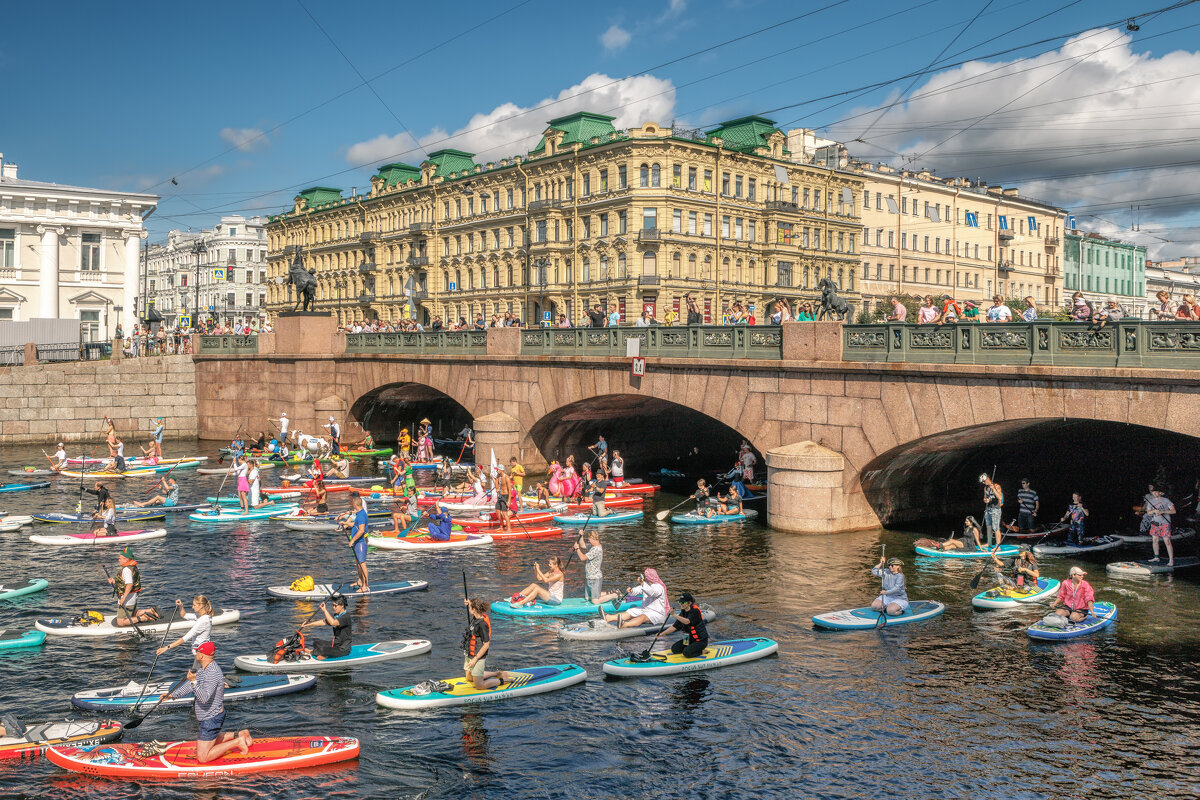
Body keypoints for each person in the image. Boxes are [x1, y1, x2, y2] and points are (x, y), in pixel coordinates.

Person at [168, 642, 251, 763]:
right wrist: (172, 695)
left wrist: (193, 682)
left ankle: (238, 742)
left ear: (201, 655)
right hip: (209, 717)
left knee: (203, 757)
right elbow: (190, 686)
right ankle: (240, 734)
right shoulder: (204, 668)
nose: (195, 653)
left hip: (211, 718)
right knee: (212, 739)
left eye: (197, 651)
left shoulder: (212, 672)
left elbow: (204, 697)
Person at [463, 598, 512, 690]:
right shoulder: (476, 617)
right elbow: (473, 608)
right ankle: (496, 674)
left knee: (479, 686)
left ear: (474, 610)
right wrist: (470, 603)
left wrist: (475, 659)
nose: (468, 609)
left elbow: (486, 644)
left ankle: (502, 680)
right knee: (469, 678)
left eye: (470, 608)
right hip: (469, 654)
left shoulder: (482, 625)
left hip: (477, 656)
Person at [158, 595, 214, 669]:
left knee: (196, 676)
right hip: (199, 654)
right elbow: (184, 615)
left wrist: (166, 648)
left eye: (194, 605)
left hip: (202, 655)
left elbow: (185, 638)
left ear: (201, 606)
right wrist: (181, 606)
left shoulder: (203, 621)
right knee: (195, 675)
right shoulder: (199, 616)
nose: (192, 607)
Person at [108, 547, 160, 626]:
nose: (119, 560)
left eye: (120, 558)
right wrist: (114, 581)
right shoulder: (132, 567)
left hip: (128, 598)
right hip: (133, 596)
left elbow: (129, 584)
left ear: (126, 559)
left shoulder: (126, 570)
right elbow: (125, 582)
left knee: (121, 622)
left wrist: (123, 598)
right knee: (132, 614)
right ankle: (150, 611)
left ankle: (143, 617)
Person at [601, 568, 669, 628]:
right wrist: (631, 591)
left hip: (656, 613)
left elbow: (652, 592)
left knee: (643, 617)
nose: (646, 578)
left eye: (646, 577)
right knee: (630, 611)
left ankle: (625, 624)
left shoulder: (659, 587)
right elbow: (638, 590)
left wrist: (643, 584)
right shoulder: (646, 585)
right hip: (645, 609)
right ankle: (608, 618)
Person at [300, 595, 352, 659]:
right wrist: (309, 624)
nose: (334, 607)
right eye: (333, 605)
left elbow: (332, 622)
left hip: (343, 649)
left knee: (322, 650)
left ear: (342, 606)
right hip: (335, 645)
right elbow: (324, 621)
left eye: (336, 606)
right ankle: (324, 654)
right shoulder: (336, 615)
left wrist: (324, 610)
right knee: (316, 643)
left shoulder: (346, 617)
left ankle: (313, 652)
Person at [666, 592, 709, 658]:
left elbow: (687, 621)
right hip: (688, 639)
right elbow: (675, 626)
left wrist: (674, 615)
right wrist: (661, 634)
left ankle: (702, 651)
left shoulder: (695, 611)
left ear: (689, 603)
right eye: (680, 602)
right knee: (674, 649)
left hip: (700, 641)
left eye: (683, 602)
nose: (681, 604)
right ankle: (691, 648)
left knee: (686, 653)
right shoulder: (683, 612)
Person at [1143, 485, 1177, 566]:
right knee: (1155, 540)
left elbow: (1173, 511)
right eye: (1153, 491)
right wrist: (1154, 510)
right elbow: (1148, 512)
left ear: (1160, 493)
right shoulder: (1151, 501)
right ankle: (1156, 557)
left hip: (1165, 523)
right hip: (1155, 522)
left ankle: (1171, 560)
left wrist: (1163, 511)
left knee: (1167, 541)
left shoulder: (1166, 500)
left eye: (1156, 491)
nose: (1154, 493)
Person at [341, 495, 370, 592]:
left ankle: (365, 586)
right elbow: (355, 525)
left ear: (355, 504)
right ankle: (360, 581)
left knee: (362, 564)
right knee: (358, 564)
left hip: (360, 542)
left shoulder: (361, 515)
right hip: (357, 542)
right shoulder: (360, 513)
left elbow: (361, 530)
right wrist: (345, 523)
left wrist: (352, 540)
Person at [573, 530, 603, 603]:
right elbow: (583, 545)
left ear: (593, 538)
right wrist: (581, 536)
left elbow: (582, 558)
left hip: (595, 577)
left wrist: (577, 549)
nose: (588, 541)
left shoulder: (597, 549)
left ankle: (614, 595)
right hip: (589, 576)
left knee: (595, 601)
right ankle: (609, 593)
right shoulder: (592, 546)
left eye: (589, 539)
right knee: (587, 598)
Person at [980, 473, 1003, 547]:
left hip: (995, 509)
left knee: (996, 527)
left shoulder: (997, 486)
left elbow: (1000, 497)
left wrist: (993, 489)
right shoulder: (985, 488)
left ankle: (997, 545)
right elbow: (984, 498)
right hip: (988, 508)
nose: (983, 483)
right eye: (982, 482)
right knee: (988, 526)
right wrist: (985, 500)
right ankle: (989, 543)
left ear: (987, 479)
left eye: (983, 481)